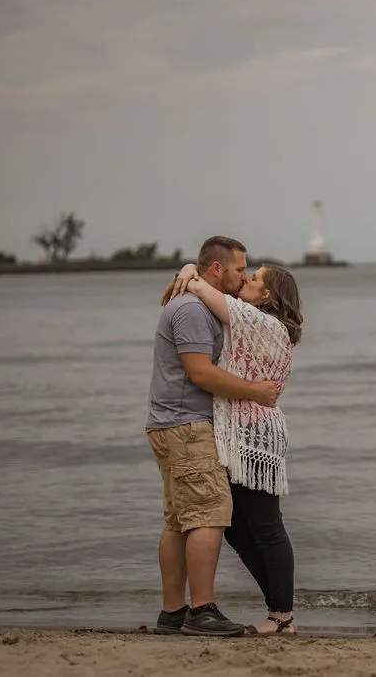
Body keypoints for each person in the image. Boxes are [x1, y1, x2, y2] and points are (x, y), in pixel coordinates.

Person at [146, 236, 280, 637]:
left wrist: (187, 270)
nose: (244, 276)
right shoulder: (191, 309)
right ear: (218, 270)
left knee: (179, 521)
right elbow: (200, 373)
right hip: (186, 424)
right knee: (209, 514)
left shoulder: (197, 300)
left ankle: (172, 613)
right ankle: (201, 611)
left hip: (172, 422)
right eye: (241, 270)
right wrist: (255, 391)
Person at [165, 260, 303, 636]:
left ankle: (282, 617)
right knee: (238, 530)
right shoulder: (254, 323)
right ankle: (278, 607)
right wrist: (191, 267)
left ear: (267, 295)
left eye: (254, 278)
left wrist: (188, 273)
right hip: (240, 438)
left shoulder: (263, 323)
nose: (246, 278)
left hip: (255, 441)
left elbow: (204, 291)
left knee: (268, 528)